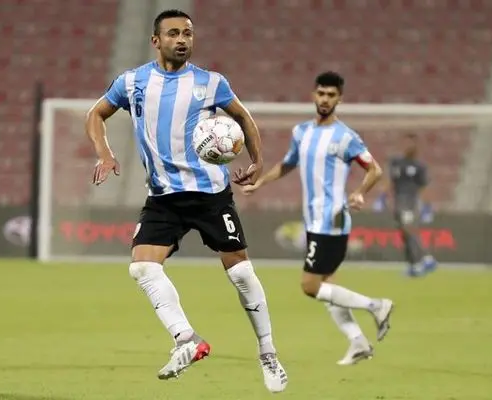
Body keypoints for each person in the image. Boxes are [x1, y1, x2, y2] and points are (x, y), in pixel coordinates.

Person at [84, 9, 287, 392]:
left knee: (241, 274)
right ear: (155, 40)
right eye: (174, 33)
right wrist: (105, 153)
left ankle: (268, 353)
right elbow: (96, 114)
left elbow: (243, 118)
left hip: (211, 196)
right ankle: (187, 339)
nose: (182, 40)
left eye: (188, 34)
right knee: (142, 268)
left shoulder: (211, 82)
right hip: (163, 197)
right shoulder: (132, 82)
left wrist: (257, 160)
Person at [242, 72, 394, 366]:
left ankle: (376, 306)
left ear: (339, 99)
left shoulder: (346, 137)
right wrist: (260, 183)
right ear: (314, 95)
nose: (325, 99)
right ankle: (358, 342)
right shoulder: (301, 132)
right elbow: (287, 164)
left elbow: (374, 169)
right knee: (329, 287)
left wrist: (360, 192)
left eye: (331, 95)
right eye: (321, 93)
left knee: (310, 286)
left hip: (332, 219)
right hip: (313, 221)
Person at [373, 133, 437, 277]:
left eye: (411, 143)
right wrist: (382, 198)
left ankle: (426, 258)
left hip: (411, 202)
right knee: (405, 233)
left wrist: (427, 206)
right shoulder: (396, 162)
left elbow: (424, 187)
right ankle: (414, 265)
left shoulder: (419, 166)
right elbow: (389, 181)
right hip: (398, 201)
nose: (408, 146)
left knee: (409, 229)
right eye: (406, 143)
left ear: (416, 146)